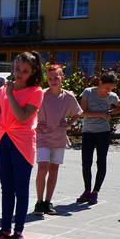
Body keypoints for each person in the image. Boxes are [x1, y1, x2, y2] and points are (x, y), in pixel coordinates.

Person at [0, 52, 45, 239]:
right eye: (17, 69)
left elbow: (21, 118)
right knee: (6, 189)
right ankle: (5, 230)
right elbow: (1, 113)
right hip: (3, 140)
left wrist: (10, 93)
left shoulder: (36, 92)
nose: (19, 74)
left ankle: (19, 231)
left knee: (21, 189)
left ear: (33, 72)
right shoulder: (3, 90)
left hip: (23, 143)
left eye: (24, 71)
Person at [33, 64, 82, 215]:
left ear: (63, 78)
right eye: (50, 78)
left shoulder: (68, 96)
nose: (53, 81)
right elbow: (30, 112)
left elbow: (78, 113)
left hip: (59, 137)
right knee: (42, 168)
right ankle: (39, 202)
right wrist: (36, 124)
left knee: (54, 169)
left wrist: (68, 123)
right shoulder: (41, 94)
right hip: (43, 136)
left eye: (56, 77)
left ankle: (48, 202)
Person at [77, 72, 120, 205]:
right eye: (106, 88)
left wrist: (110, 113)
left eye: (111, 89)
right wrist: (101, 114)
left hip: (103, 133)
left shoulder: (112, 96)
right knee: (86, 163)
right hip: (88, 132)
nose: (108, 91)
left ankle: (95, 192)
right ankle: (87, 190)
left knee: (101, 162)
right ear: (100, 83)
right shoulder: (88, 92)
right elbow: (82, 112)